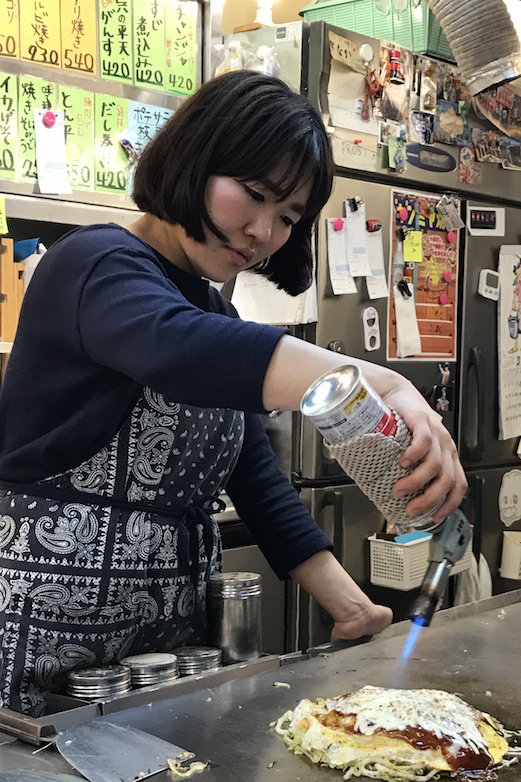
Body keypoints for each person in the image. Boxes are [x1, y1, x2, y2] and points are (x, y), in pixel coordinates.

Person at [0, 70, 466, 716]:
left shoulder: (218, 311)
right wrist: (380, 381)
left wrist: (348, 603)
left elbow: (255, 476)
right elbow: (177, 348)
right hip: (36, 647)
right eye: (252, 195)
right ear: (194, 158)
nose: (262, 233)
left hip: (160, 654)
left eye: (286, 218)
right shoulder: (93, 264)